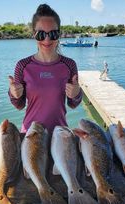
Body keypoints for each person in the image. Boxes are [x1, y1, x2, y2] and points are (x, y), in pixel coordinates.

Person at [8, 4, 82, 134]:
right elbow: (19, 105)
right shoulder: (22, 65)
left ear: (59, 34)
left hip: (60, 135)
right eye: (41, 34)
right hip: (30, 135)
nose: (47, 39)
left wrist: (76, 93)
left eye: (53, 33)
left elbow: (73, 104)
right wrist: (13, 94)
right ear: (34, 34)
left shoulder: (70, 64)